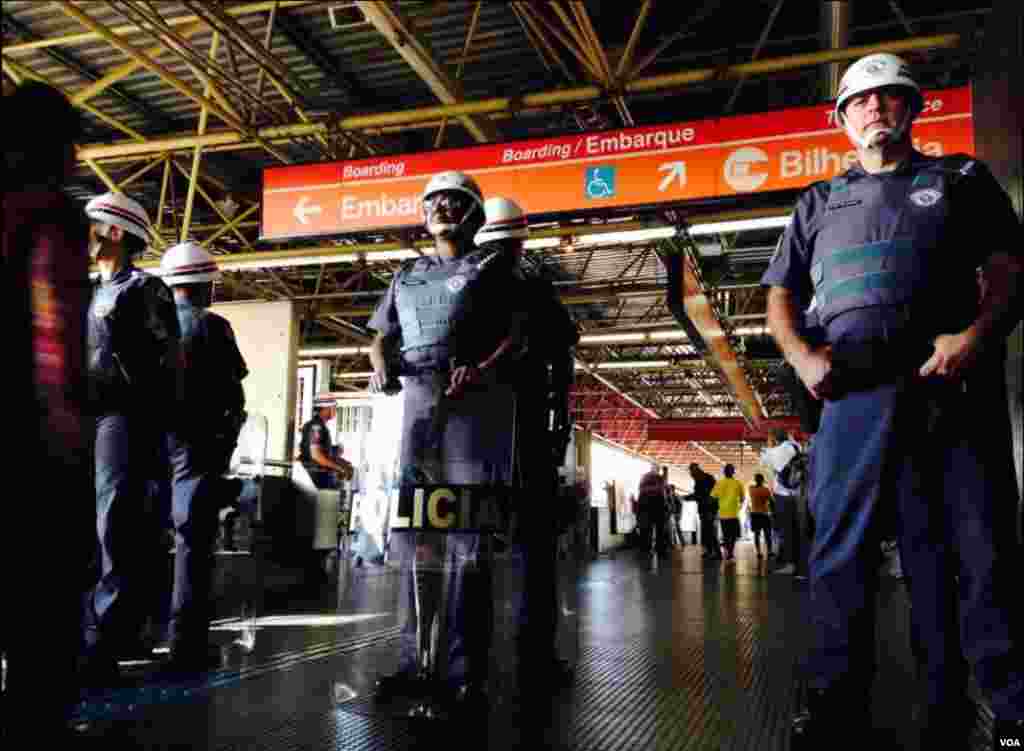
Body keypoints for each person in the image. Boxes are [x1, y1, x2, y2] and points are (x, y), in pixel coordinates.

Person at [763, 52, 1023, 748]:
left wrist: (973, 336)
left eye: (889, 97)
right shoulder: (816, 203)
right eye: (861, 101)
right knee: (838, 555)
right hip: (851, 395)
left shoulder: (961, 179)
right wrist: (802, 355)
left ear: (913, 109)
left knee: (974, 547)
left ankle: (1005, 706)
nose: (875, 108)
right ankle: (831, 704)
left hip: (947, 386)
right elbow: (779, 298)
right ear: (842, 119)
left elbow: (1007, 271)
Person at [367, 171, 522, 707]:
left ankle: (463, 671)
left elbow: (514, 336)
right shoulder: (405, 275)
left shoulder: (494, 269)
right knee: (418, 541)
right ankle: (414, 663)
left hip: (471, 416)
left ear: (475, 215)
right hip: (417, 412)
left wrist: (480, 368)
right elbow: (380, 337)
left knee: (465, 543)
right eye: (435, 201)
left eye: (457, 202)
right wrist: (380, 364)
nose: (444, 207)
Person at [2, 81, 91, 740]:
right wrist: (66, 436)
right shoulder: (51, 212)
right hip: (31, 439)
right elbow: (51, 329)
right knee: (44, 609)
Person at [474, 195, 579, 687]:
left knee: (467, 545)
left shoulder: (464, 280)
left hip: (472, 431)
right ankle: (535, 655)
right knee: (533, 546)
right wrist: (562, 420)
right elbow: (563, 355)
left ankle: (461, 653)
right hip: (527, 425)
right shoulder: (534, 285)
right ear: (521, 240)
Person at [80, 190, 181, 684]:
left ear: (115, 232)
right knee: (85, 531)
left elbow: (165, 367)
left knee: (113, 528)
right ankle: (80, 635)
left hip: (122, 420)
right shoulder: (87, 290)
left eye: (93, 225)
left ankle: (104, 644)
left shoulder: (144, 289)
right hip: (85, 418)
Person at [159, 242, 252, 673]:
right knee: (193, 546)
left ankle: (135, 635)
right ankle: (186, 645)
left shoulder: (150, 325)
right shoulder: (214, 327)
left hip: (151, 447)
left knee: (143, 541)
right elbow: (233, 394)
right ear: (204, 284)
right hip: (197, 451)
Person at [761, 429, 801, 575]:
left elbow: (766, 468)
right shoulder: (795, 447)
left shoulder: (770, 453)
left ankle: (790, 565)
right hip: (798, 494)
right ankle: (800, 564)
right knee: (797, 529)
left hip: (783, 497)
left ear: (774, 440)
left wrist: (769, 447)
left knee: (786, 530)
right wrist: (791, 439)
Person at [298, 397, 354, 487]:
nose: (335, 411)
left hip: (315, 478)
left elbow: (322, 453)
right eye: (334, 407)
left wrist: (341, 462)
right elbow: (316, 456)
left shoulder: (320, 425)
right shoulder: (316, 426)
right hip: (312, 478)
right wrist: (339, 468)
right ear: (327, 408)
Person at [686, 463, 720, 560]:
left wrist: (689, 497)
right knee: (707, 530)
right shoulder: (703, 478)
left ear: (695, 470)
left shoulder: (703, 479)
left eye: (691, 471)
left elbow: (703, 495)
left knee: (709, 530)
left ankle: (716, 552)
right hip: (707, 508)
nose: (691, 474)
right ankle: (710, 551)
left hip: (708, 508)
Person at [711, 464, 745, 561]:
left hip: (723, 514)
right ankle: (730, 553)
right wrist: (738, 507)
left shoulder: (719, 483)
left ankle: (728, 552)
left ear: (724, 472)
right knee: (733, 535)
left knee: (726, 535)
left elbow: (713, 497)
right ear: (733, 472)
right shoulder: (738, 483)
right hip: (734, 513)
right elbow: (742, 499)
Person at [638, 465, 671, 558]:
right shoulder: (658, 479)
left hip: (648, 509)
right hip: (655, 508)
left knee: (647, 531)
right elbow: (664, 492)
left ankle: (647, 551)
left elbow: (642, 493)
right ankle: (659, 551)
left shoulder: (645, 479)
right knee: (659, 531)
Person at [747, 474, 773, 559]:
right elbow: (771, 501)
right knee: (767, 534)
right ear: (762, 480)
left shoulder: (751, 489)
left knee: (756, 534)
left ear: (755, 480)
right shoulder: (765, 490)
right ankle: (769, 551)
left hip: (754, 514)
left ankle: (758, 552)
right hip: (764, 514)